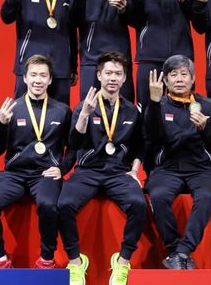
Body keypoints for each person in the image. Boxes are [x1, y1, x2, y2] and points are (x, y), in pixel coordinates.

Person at [58, 52, 146, 285]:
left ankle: (123, 262)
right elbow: (74, 144)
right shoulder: (84, 106)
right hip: (87, 171)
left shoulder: (132, 111)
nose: (113, 78)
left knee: (138, 204)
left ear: (125, 78)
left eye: (118, 73)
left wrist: (135, 172)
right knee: (63, 205)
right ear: (98, 75)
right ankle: (76, 262)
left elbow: (140, 147)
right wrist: (85, 115)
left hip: (118, 173)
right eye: (108, 73)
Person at [0, 54, 72, 269]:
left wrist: (62, 168)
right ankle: (0, 258)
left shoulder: (62, 110)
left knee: (49, 205)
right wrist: (1, 124)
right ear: (25, 78)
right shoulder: (11, 109)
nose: (38, 80)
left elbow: (73, 148)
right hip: (14, 174)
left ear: (50, 80)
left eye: (43, 75)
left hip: (44, 175)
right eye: (33, 75)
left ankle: (47, 258)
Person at [143, 55, 211, 269]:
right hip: (168, 168)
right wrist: (152, 104)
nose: (179, 79)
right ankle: (175, 250)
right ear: (165, 81)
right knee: (159, 196)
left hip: (201, 169)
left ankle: (182, 251)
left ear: (193, 78)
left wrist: (205, 129)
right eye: (173, 75)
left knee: (207, 196)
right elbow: (151, 137)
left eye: (184, 74)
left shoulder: (208, 105)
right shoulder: (158, 105)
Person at [1, 0, 78, 105]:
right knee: (24, 119)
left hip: (60, 69)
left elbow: (71, 31)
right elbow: (5, 16)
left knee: (59, 122)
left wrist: (72, 66)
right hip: (28, 68)